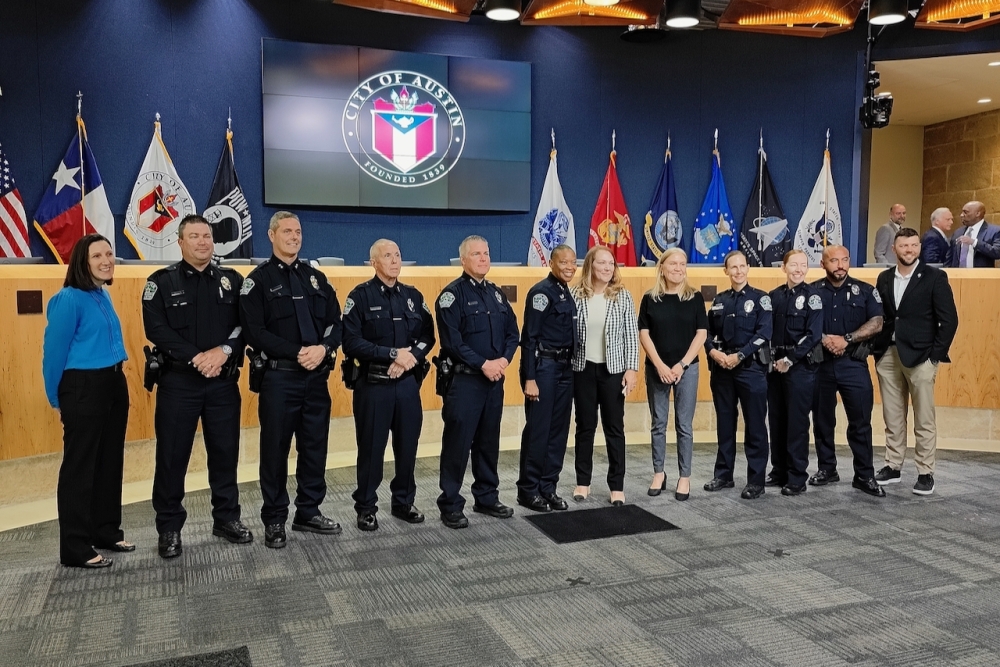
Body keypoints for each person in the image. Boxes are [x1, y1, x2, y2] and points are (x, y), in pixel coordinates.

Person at [142, 214, 250, 559]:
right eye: (194, 236)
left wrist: (225, 351)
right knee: (173, 457)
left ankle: (226, 518)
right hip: (179, 384)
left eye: (206, 236)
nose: (203, 242)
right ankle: (170, 527)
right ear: (180, 242)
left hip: (222, 383)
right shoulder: (160, 282)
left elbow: (244, 325)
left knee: (225, 453)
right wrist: (197, 358)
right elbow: (156, 329)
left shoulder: (232, 281)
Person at [239, 211, 343, 548]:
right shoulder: (257, 281)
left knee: (314, 447)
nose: (294, 237)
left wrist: (324, 347)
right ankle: (274, 519)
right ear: (272, 235)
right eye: (287, 231)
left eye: (298, 232)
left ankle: (308, 511)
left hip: (315, 378)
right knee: (275, 451)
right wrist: (298, 351)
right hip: (280, 378)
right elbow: (255, 331)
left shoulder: (316, 279)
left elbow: (335, 322)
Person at [42, 234, 131, 568]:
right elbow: (53, 353)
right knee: (80, 467)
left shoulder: (101, 295)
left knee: (109, 461)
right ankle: (76, 547)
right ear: (82, 261)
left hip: (112, 382)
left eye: (109, 253)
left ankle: (105, 530)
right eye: (98, 255)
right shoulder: (68, 298)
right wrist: (56, 396)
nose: (107, 260)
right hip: (83, 387)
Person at [342, 240, 435, 531]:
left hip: (407, 384)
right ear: (373, 262)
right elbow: (352, 341)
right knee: (371, 448)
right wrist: (393, 354)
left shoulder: (413, 296)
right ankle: (366, 506)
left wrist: (411, 358)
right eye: (387, 256)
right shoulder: (359, 297)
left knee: (408, 446)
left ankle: (403, 502)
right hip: (373, 385)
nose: (394, 261)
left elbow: (427, 336)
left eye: (397, 255)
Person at [435, 235, 520, 529]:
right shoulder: (451, 296)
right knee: (458, 443)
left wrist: (503, 361)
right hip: (465, 382)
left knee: (488, 442)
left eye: (486, 253)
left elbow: (513, 333)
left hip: (494, 381)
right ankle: (450, 503)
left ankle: (486, 497)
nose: (483, 258)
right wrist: (484, 363)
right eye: (476, 254)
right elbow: (452, 342)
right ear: (463, 260)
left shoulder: (496, 295)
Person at [872, 228, 958, 495]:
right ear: (894, 249)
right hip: (889, 354)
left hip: (921, 357)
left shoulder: (935, 277)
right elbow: (883, 316)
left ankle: (925, 471)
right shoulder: (884, 278)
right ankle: (893, 465)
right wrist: (878, 350)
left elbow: (949, 321)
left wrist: (934, 357)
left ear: (919, 248)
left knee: (924, 417)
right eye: (903, 246)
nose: (908, 250)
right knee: (893, 415)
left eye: (913, 246)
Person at [810, 245, 885, 497]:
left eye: (844, 260)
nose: (840, 265)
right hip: (821, 364)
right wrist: (824, 339)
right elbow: (801, 322)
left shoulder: (866, 291)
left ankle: (864, 475)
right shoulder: (812, 292)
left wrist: (846, 339)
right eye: (833, 261)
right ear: (823, 264)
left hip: (854, 364)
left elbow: (877, 323)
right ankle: (827, 469)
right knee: (822, 421)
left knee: (861, 422)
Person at [570, 245, 639, 506]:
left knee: (614, 428)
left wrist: (631, 369)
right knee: (585, 427)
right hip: (583, 369)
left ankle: (617, 486)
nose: (608, 268)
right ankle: (582, 482)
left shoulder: (623, 296)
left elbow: (631, 336)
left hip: (613, 372)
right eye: (602, 263)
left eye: (611, 264)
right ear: (590, 266)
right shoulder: (576, 294)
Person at [638, 248, 705, 502]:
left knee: (684, 425)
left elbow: (701, 334)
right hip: (657, 368)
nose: (678, 268)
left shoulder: (695, 298)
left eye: (682, 264)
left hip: (687, 368)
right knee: (659, 423)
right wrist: (660, 366)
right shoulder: (649, 298)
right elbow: (644, 333)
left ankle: (684, 476)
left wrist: (681, 365)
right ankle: (659, 472)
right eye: (673, 264)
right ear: (662, 267)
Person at [703, 251, 772, 500]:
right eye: (733, 267)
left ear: (748, 268)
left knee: (755, 425)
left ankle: (756, 481)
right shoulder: (719, 301)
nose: (738, 271)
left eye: (742, 266)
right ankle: (723, 474)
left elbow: (764, 333)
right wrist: (713, 353)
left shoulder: (761, 299)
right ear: (726, 271)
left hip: (750, 369)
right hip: (722, 369)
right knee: (725, 423)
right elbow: (706, 333)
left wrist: (739, 356)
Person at [518, 244, 578, 512]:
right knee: (539, 431)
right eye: (563, 262)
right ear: (551, 263)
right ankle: (528, 490)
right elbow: (529, 339)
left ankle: (548, 487)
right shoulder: (541, 293)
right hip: (544, 367)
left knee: (558, 431)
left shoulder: (566, 292)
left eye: (573, 262)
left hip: (565, 368)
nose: (569, 267)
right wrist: (530, 378)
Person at [765, 249, 823, 496]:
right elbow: (765, 331)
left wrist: (789, 359)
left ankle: (797, 476)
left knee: (797, 423)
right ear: (784, 267)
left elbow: (813, 336)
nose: (799, 269)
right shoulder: (773, 296)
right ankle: (779, 471)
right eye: (794, 265)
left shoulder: (813, 298)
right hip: (775, 367)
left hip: (800, 367)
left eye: (803, 265)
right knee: (777, 420)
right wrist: (774, 361)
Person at [948, 200, 1000, 268]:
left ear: (977, 213)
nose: (961, 215)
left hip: (980, 276)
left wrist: (974, 243)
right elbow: (949, 258)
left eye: (965, 212)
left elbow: (997, 252)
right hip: (958, 276)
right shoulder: (958, 232)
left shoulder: (994, 231)